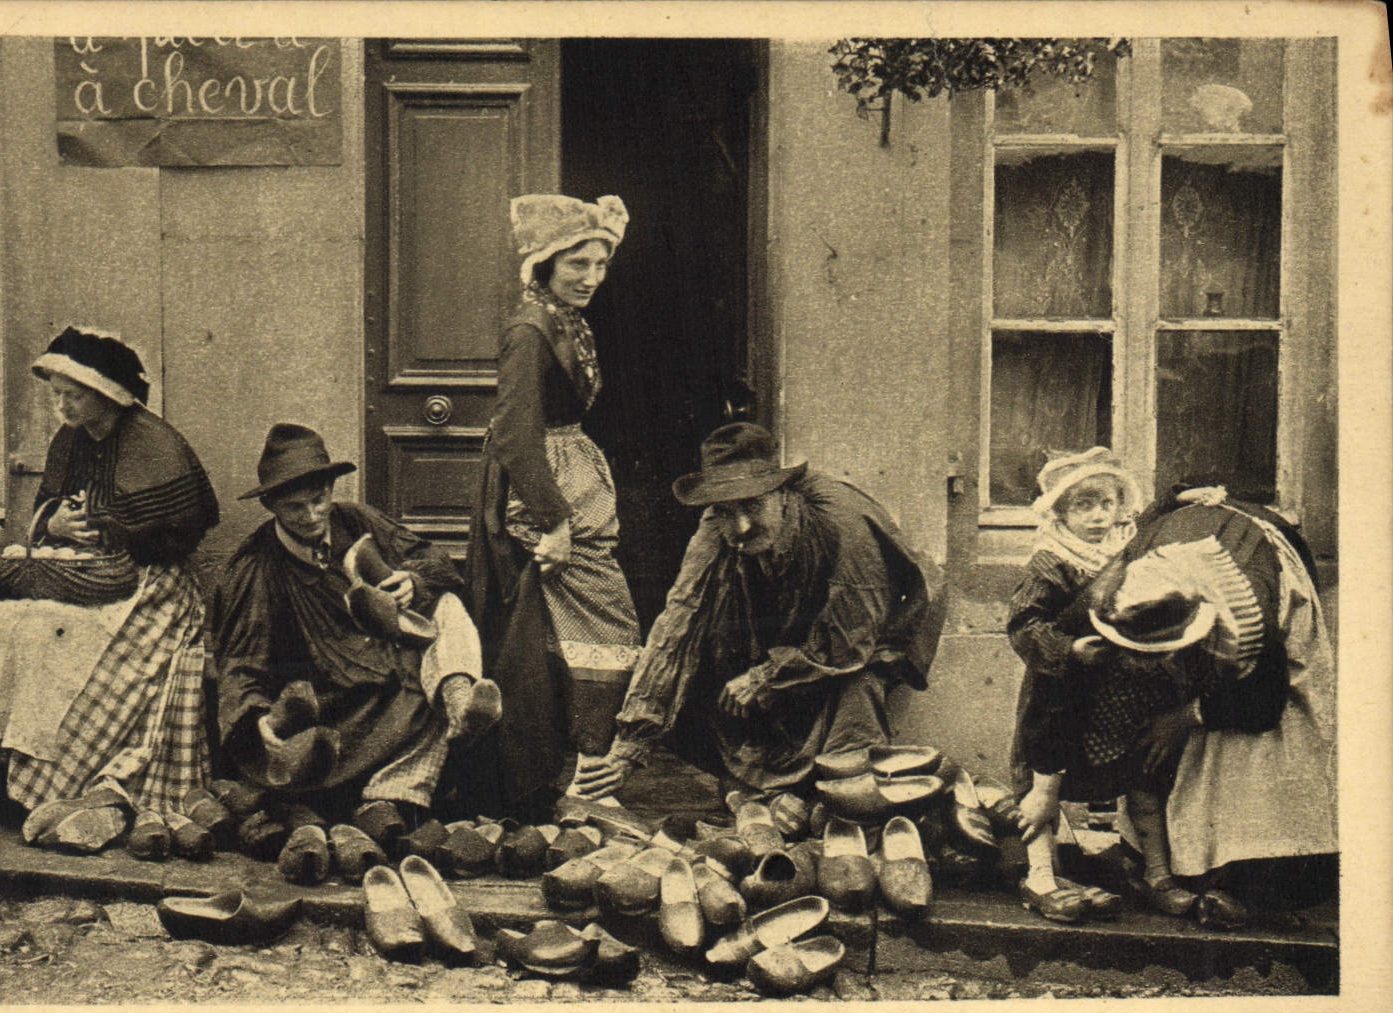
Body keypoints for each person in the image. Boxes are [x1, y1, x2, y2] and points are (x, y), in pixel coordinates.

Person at [0, 326, 220, 857]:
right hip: (78, 574)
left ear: (107, 395)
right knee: (5, 622)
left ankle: (69, 789)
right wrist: (57, 526)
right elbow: (47, 506)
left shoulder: (154, 443)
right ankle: (11, 780)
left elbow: (185, 528)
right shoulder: (70, 440)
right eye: (56, 395)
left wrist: (116, 531)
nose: (62, 406)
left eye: (72, 395)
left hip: (149, 583)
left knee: (63, 639)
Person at [575, 422, 939, 810]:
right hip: (794, 637)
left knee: (856, 709)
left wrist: (766, 676)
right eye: (726, 512)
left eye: (752, 506)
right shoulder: (719, 525)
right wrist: (629, 745)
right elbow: (677, 625)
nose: (741, 527)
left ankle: (844, 806)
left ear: (782, 494)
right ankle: (758, 792)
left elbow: (849, 642)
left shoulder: (843, 525)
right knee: (702, 677)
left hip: (874, 634)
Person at [1054, 482, 1337, 926]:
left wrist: (1187, 715)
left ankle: (1240, 871)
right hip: (1183, 541)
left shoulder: (1247, 624)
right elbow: (1058, 648)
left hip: (1251, 561)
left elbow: (1264, 701)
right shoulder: (1112, 592)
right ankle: (1161, 865)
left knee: (1254, 750)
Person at [211, 423, 502, 838]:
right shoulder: (256, 568)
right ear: (272, 505)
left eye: (319, 499)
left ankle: (459, 700)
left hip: (392, 658)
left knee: (446, 607)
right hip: (334, 694)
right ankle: (391, 797)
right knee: (415, 696)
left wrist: (413, 581)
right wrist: (256, 716)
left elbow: (433, 560)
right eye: (295, 507)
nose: (311, 515)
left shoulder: (355, 520)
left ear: (331, 489)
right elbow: (241, 660)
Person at [465, 193, 642, 816]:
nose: (591, 278)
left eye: (600, 264)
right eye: (577, 265)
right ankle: (573, 778)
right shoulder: (528, 329)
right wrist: (556, 520)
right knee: (595, 622)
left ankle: (578, 778)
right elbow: (515, 431)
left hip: (568, 474)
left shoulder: (561, 317)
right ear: (544, 264)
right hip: (541, 488)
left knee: (558, 630)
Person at [1005, 447, 1145, 923]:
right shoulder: (1052, 560)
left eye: (1105, 504)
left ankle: (1083, 865)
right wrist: (1068, 651)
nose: (1097, 516)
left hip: (1107, 690)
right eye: (1083, 506)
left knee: (1096, 776)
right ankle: (1038, 875)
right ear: (1061, 512)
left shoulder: (1122, 553)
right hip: (1057, 689)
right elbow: (1024, 626)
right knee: (1044, 777)